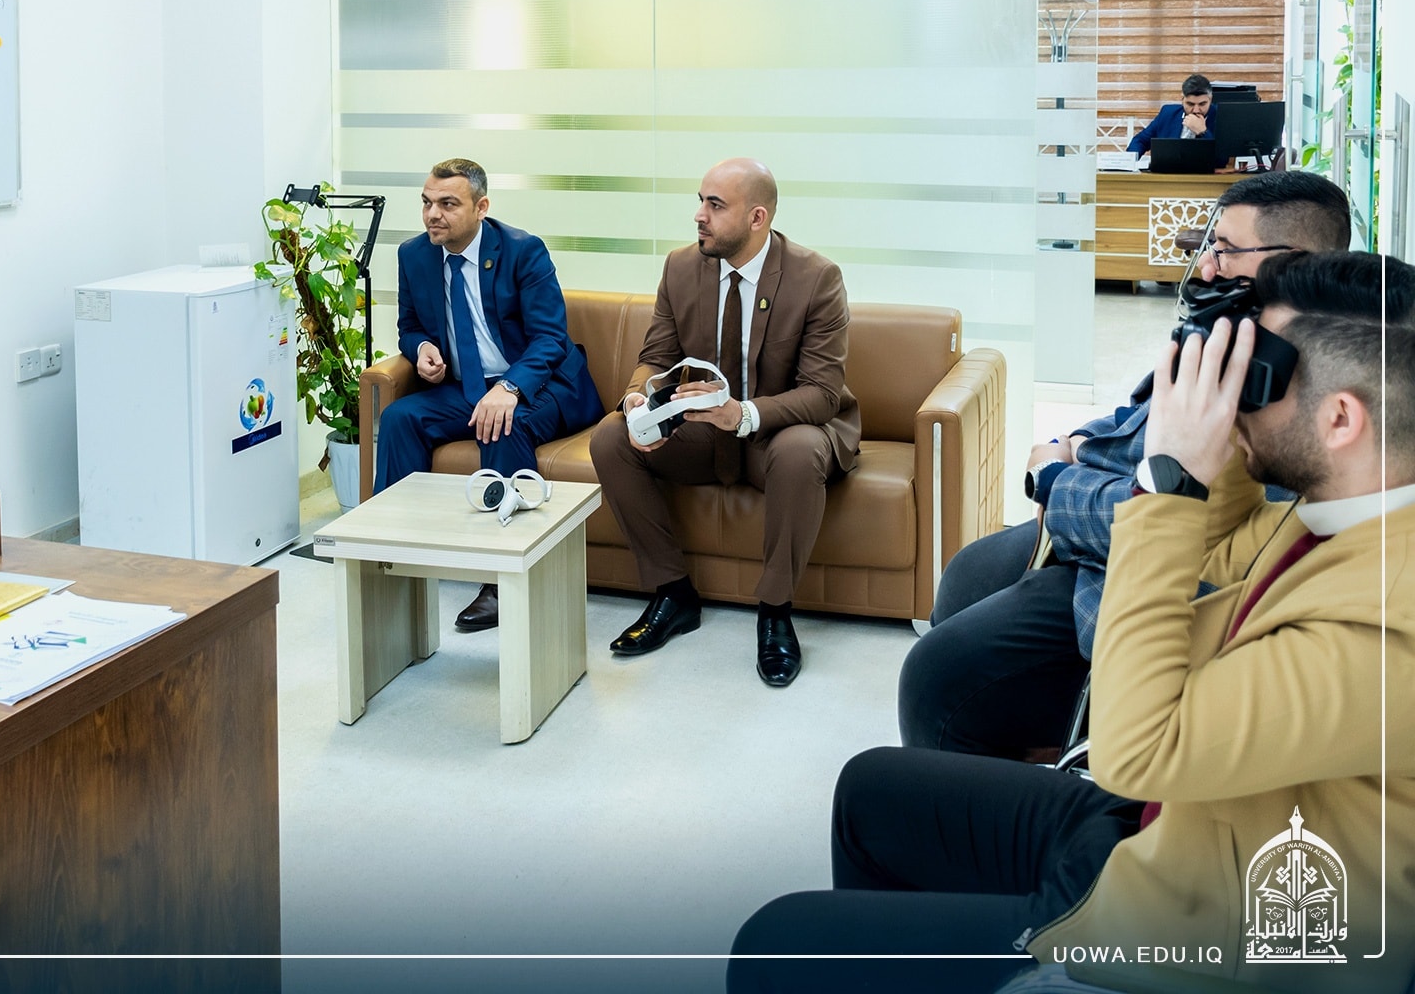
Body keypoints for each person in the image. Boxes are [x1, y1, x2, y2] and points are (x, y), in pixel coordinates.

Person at [731, 250, 1415, 993]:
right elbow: (1216, 551)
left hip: (1193, 933)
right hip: (1169, 834)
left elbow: (1134, 748)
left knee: (776, 944)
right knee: (869, 791)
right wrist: (1216, 441)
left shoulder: (1389, 628)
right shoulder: (1343, 515)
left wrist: (1169, 478)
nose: (1235, 397)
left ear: (1340, 419)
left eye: (1258, 381)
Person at [898, 171, 1361, 760]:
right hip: (1100, 525)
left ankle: (997, 799)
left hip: (1126, 575)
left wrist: (1056, 480)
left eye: (1225, 250)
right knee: (965, 575)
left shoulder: (1290, 397)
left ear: (1289, 262)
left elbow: (1190, 521)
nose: (1208, 267)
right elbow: (1136, 415)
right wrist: (1073, 440)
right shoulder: (1232, 336)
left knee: (934, 680)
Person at [587, 158, 859, 687]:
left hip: (776, 432)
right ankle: (673, 594)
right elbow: (655, 356)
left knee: (801, 450)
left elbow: (822, 393)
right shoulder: (680, 267)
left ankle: (775, 611)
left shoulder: (816, 278)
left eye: (715, 205)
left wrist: (744, 414)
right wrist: (639, 398)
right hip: (704, 430)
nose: (699, 216)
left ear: (757, 218)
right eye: (700, 201)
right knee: (612, 436)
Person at [375, 159, 602, 633]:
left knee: (501, 420)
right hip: (467, 387)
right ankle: (392, 551)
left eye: (448, 204)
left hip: (541, 383)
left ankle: (502, 577)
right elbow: (409, 326)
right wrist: (421, 349)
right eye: (426, 202)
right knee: (400, 417)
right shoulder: (414, 254)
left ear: (481, 207)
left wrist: (509, 387)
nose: (432, 214)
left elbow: (549, 338)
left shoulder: (522, 250)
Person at [1126, 72, 1217, 154]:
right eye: (1190, 104)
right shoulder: (1168, 113)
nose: (1196, 110)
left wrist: (1203, 132)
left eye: (1202, 104)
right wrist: (1130, 161)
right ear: (1182, 99)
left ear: (1210, 100)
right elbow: (1140, 141)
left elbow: (1221, 159)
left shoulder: (1220, 116)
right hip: (1167, 167)